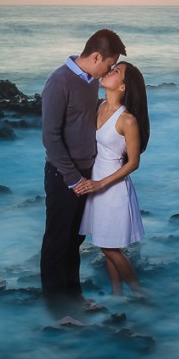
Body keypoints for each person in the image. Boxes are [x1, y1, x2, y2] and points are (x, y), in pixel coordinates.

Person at [40, 29, 126, 310]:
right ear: (97, 56)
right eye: (110, 64)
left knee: (74, 240)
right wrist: (73, 178)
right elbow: (50, 137)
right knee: (57, 241)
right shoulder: (59, 82)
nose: (110, 70)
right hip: (64, 176)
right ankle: (56, 309)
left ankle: (73, 298)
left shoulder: (91, 81)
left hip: (86, 175)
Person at [75, 61, 149, 297]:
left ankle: (139, 293)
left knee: (109, 247)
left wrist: (99, 184)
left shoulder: (127, 120)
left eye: (116, 71)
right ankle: (117, 296)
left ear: (123, 87)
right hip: (96, 183)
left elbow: (133, 163)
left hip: (113, 188)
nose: (109, 71)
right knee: (107, 246)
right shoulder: (99, 106)